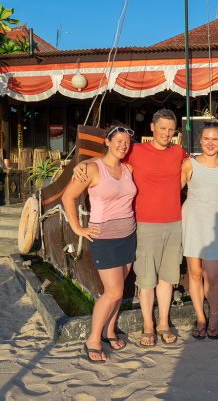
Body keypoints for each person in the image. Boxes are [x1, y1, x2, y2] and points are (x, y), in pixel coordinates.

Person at [74, 109, 187, 347]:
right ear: (152, 129)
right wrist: (81, 164)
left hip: (173, 223)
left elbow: (199, 163)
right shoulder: (135, 150)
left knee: (167, 278)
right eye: (162, 128)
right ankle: (147, 327)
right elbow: (106, 158)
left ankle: (163, 324)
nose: (166, 133)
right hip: (144, 224)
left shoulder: (178, 152)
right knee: (145, 280)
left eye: (171, 129)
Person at [63, 125, 137, 363]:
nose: (122, 146)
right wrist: (77, 228)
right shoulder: (91, 169)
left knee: (120, 290)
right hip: (104, 238)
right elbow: (68, 197)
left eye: (126, 143)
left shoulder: (128, 168)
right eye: (118, 141)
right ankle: (93, 339)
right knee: (113, 291)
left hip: (128, 235)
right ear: (107, 141)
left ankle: (109, 331)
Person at [181, 121, 218, 340]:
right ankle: (201, 318)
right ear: (200, 140)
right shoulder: (189, 164)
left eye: (215, 138)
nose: (211, 143)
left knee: (212, 276)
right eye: (206, 138)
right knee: (194, 273)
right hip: (193, 219)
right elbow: (172, 187)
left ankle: (214, 316)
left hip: (215, 221)